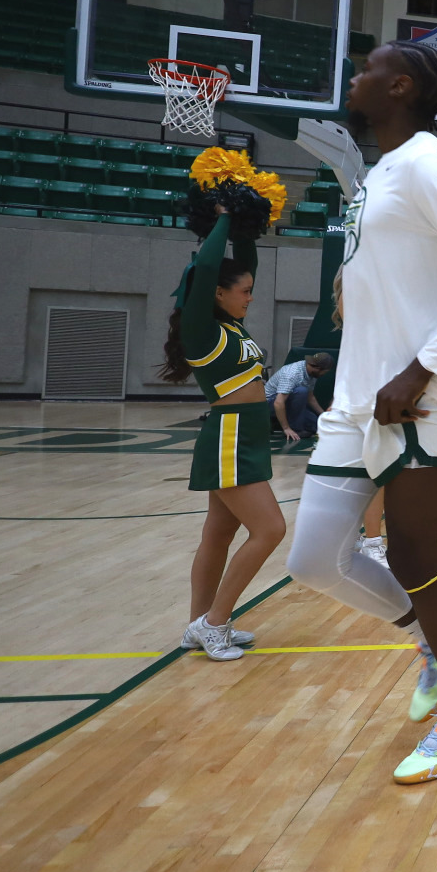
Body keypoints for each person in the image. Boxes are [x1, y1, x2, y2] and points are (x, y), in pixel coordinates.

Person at [282, 40, 437, 784]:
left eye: (365, 70)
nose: (352, 78)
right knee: (315, 559)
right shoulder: (382, 172)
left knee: (418, 552)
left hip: (420, 396)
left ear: (399, 87)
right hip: (359, 397)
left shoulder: (428, 163)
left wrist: (422, 369)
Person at [158, 210, 284, 662]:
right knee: (271, 529)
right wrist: (228, 218)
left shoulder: (232, 326)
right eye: (244, 291)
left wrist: (248, 232)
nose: (250, 297)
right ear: (217, 293)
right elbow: (207, 266)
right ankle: (215, 623)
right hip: (229, 436)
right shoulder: (202, 328)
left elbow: (240, 263)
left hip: (244, 436)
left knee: (217, 535)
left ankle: (198, 624)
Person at [266, 353, 332, 442]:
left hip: (290, 403)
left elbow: (310, 398)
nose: (324, 374)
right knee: (301, 391)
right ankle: (295, 429)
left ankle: (293, 424)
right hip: (270, 403)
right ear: (317, 368)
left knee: (315, 425)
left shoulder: (312, 374)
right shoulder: (292, 374)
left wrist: (324, 415)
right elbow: (278, 403)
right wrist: (286, 428)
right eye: (325, 371)